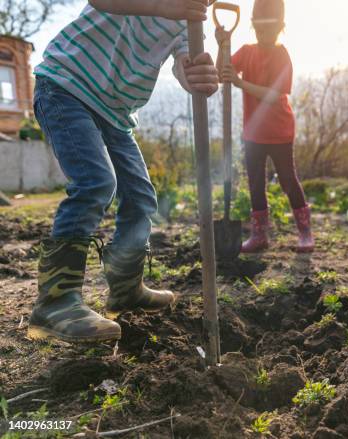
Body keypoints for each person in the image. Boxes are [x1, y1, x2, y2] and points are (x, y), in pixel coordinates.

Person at [27, 0, 219, 343]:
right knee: (96, 181)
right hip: (66, 87)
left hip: (115, 114)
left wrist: (193, 74)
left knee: (142, 198)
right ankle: (54, 302)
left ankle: (125, 288)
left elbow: (183, 62)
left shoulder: (191, 20)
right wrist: (163, 7)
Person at [215, 0, 314, 254]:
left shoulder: (282, 55)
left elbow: (274, 95)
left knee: (288, 180)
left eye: (269, 31)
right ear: (252, 27)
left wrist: (240, 83)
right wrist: (222, 44)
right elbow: (221, 72)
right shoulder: (247, 52)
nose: (264, 36)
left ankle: (305, 233)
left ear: (281, 27)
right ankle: (259, 235)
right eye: (259, 31)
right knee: (255, 182)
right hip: (253, 132)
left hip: (280, 131)